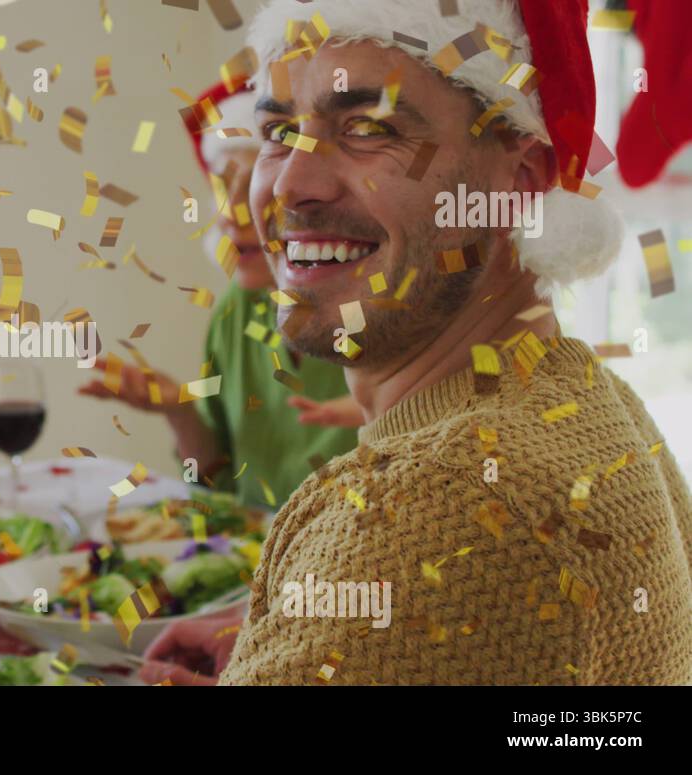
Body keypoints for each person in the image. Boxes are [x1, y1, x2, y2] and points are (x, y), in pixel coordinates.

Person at [143, 0, 692, 685]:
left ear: (518, 185)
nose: (290, 183)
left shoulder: (430, 507)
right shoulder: (594, 401)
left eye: (368, 128)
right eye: (280, 131)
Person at [78, 82, 362, 510]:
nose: (230, 215)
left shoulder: (377, 311)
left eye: (250, 189)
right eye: (221, 189)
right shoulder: (236, 308)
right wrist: (179, 410)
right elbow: (217, 489)